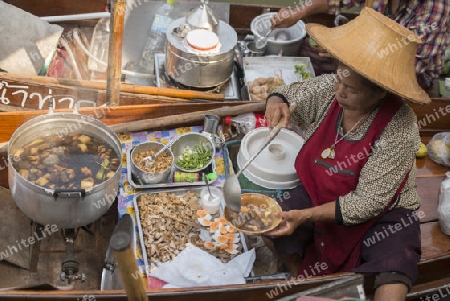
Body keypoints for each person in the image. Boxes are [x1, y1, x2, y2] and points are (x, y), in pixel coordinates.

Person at [264, 8, 430, 301]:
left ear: (381, 93)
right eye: (339, 78)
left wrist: (306, 215)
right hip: (323, 189)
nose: (339, 90)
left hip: (384, 212)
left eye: (350, 89)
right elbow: (294, 94)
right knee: (271, 220)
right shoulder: (333, 87)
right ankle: (299, 279)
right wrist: (278, 100)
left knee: (395, 268)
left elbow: (367, 202)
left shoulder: (400, 126)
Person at [270, 0, 450, 90]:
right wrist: (296, 12)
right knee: (310, 54)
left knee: (355, 89)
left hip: (406, 75)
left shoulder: (435, 7)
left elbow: (404, 67)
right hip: (368, 47)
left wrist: (344, 54)